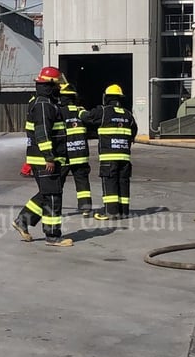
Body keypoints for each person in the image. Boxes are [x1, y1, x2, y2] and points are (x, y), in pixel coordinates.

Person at [11, 67, 73, 247]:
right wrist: (49, 157)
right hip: (46, 160)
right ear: (51, 85)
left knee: (46, 193)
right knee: (53, 196)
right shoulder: (44, 104)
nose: (60, 89)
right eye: (57, 86)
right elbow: (42, 132)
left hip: (43, 158)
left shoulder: (40, 101)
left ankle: (23, 220)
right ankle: (53, 236)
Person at [81, 84, 137, 221]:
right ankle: (124, 212)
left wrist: (80, 111)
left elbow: (87, 117)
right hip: (124, 157)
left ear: (106, 98)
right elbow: (134, 131)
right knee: (123, 183)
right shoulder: (127, 114)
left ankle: (111, 212)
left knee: (110, 183)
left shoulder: (103, 111)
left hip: (109, 156)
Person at [58, 83, 93, 217]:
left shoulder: (59, 112)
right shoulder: (81, 111)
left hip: (66, 154)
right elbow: (90, 121)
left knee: (58, 183)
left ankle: (55, 208)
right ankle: (85, 208)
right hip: (81, 153)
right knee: (82, 182)